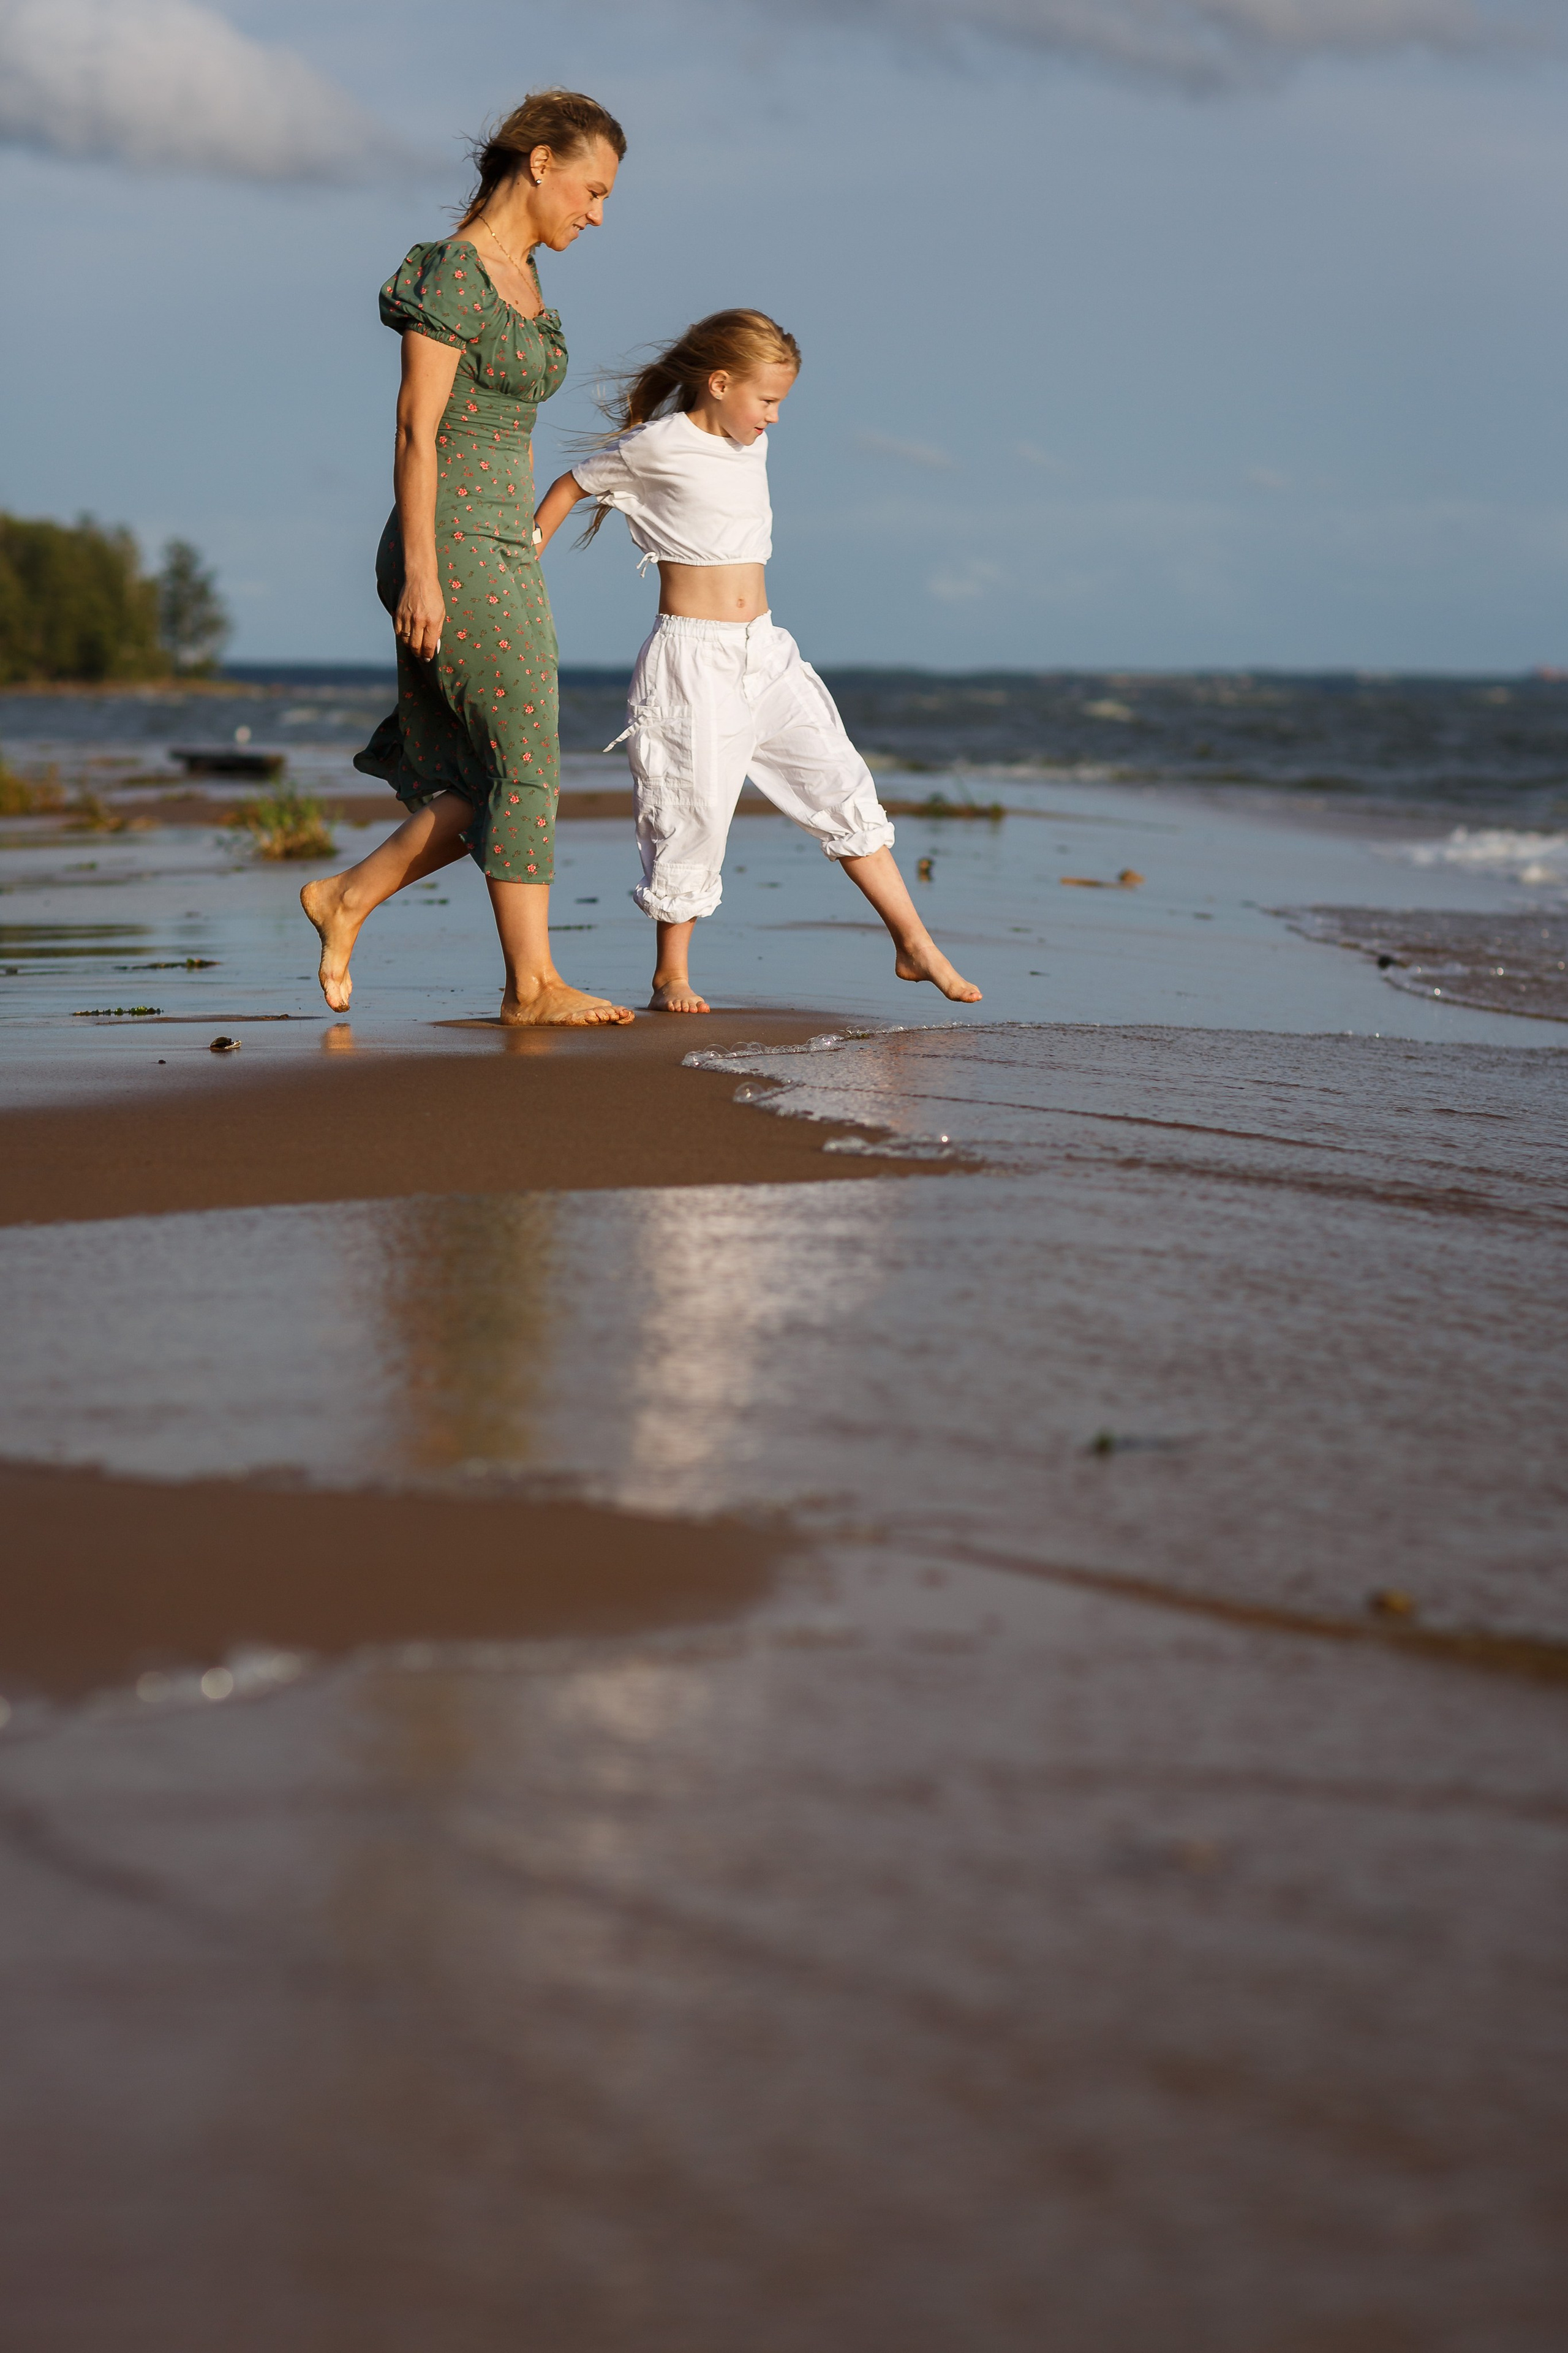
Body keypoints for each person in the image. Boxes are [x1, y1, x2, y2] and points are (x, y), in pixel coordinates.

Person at [533, 310, 982, 1013]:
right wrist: (523, 561)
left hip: (768, 652)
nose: (774, 418)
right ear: (718, 384)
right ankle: (670, 976)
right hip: (692, 660)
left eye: (780, 403)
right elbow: (569, 487)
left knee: (841, 788)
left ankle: (913, 943)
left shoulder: (752, 445)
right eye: (766, 400)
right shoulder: (657, 445)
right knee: (688, 811)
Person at [302, 90, 634, 1027]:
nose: (597, 213)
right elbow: (417, 428)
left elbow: (520, 433)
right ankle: (532, 987)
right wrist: (420, 570)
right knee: (527, 758)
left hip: (502, 541)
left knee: (500, 772)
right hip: (442, 534)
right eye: (592, 189)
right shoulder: (453, 273)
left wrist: (528, 541)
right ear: (539, 163)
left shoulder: (527, 283)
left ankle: (347, 897)